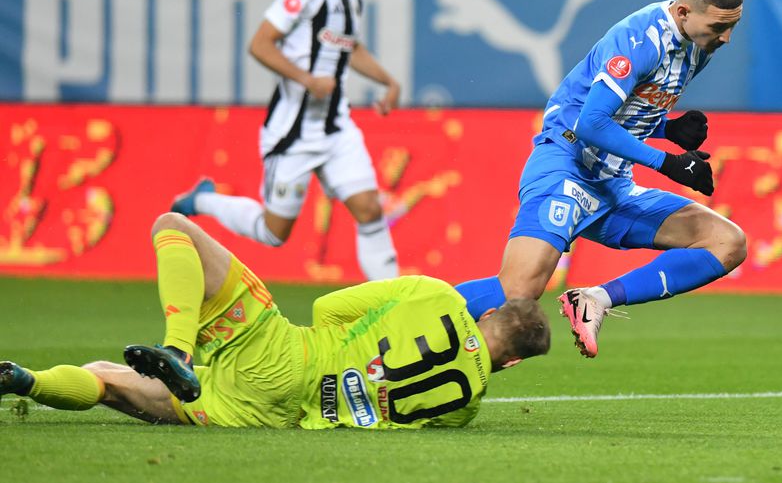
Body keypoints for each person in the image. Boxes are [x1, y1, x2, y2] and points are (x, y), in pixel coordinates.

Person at [0, 213, 550, 428]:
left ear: (492, 311)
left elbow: (327, 309)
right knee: (107, 383)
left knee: (172, 228)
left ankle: (180, 349)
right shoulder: (466, 405)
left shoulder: (434, 295)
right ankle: (25, 382)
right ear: (513, 361)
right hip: (269, 415)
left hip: (281, 355)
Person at [455, 0, 748, 358]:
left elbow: (626, 110)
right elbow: (590, 122)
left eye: (733, 26)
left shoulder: (699, 45)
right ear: (683, 12)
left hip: (612, 187)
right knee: (518, 292)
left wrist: (668, 129)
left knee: (728, 243)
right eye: (718, 27)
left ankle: (595, 299)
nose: (726, 37)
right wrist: (667, 163)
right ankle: (408, 313)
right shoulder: (640, 40)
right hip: (567, 167)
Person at [170, 0, 404, 281]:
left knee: (370, 210)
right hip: (293, 131)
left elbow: (349, 46)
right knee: (273, 233)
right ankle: (204, 200)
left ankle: (397, 301)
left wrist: (388, 81)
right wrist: (307, 80)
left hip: (336, 127)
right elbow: (260, 43)